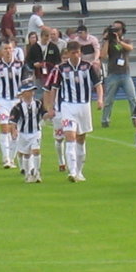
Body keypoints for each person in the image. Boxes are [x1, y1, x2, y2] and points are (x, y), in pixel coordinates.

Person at [46, 41, 104, 182]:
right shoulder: (61, 69)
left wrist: (100, 99)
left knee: (81, 139)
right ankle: (71, 172)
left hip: (84, 106)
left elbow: (98, 84)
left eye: (78, 52)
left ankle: (79, 171)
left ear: (81, 52)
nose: (76, 55)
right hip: (68, 106)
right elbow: (54, 88)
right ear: (69, 53)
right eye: (73, 53)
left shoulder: (87, 67)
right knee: (70, 137)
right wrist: (52, 106)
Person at [0, 41, 26, 168]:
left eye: (10, 48)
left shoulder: (20, 65)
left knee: (15, 130)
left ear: (13, 50)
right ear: (1, 51)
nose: (7, 51)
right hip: (2, 101)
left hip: (17, 101)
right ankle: (6, 158)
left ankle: (12, 158)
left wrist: (23, 98)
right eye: (5, 49)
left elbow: (25, 83)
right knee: (4, 128)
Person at [9, 82, 49, 182]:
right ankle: (28, 174)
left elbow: (43, 114)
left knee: (36, 151)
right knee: (26, 154)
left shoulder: (38, 104)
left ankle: (37, 172)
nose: (32, 93)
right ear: (23, 93)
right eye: (29, 91)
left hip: (36, 132)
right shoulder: (17, 107)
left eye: (32, 91)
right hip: (23, 134)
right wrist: (13, 131)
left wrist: (49, 115)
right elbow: (13, 121)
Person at [100, 20, 135, 127]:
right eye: (114, 29)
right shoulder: (109, 42)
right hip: (113, 74)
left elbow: (130, 48)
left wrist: (118, 41)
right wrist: (106, 40)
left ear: (122, 30)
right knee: (109, 99)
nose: (116, 31)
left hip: (125, 73)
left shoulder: (127, 40)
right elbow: (103, 56)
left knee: (132, 98)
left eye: (118, 29)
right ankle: (105, 120)